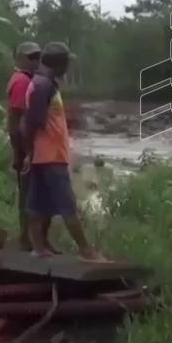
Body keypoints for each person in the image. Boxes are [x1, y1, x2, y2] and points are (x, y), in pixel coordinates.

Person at [22, 42, 105, 261]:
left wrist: (32, 154)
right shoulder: (42, 87)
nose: (68, 67)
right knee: (68, 204)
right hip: (50, 157)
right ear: (59, 64)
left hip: (46, 155)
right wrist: (29, 153)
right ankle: (86, 250)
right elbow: (30, 123)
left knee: (38, 204)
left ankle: (39, 248)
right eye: (67, 63)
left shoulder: (45, 84)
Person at [7, 42, 43, 251]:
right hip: (25, 147)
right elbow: (18, 121)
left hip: (25, 147)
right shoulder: (21, 82)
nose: (35, 60)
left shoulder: (26, 80)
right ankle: (27, 239)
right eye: (31, 57)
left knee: (29, 194)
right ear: (20, 58)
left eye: (38, 56)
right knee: (30, 195)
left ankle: (27, 239)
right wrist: (24, 152)